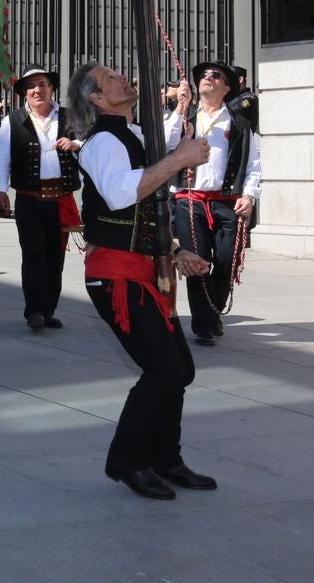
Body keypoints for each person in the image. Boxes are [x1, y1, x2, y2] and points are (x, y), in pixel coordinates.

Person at [68, 62, 218, 501]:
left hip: (148, 268)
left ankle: (165, 458)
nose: (123, 78)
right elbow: (119, 194)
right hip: (115, 275)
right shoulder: (101, 142)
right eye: (111, 78)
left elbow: (145, 213)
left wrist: (174, 250)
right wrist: (178, 160)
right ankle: (127, 461)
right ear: (96, 98)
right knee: (164, 370)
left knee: (181, 370)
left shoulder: (134, 137)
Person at [166, 61, 261, 347]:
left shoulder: (239, 123)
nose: (208, 78)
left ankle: (212, 311)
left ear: (227, 87)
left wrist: (249, 195)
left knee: (225, 262)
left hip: (226, 202)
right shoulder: (184, 117)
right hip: (189, 200)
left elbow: (253, 165)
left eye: (215, 75)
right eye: (204, 76)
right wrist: (180, 106)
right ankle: (203, 324)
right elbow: (165, 142)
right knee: (196, 263)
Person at [0, 67, 83, 332]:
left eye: (42, 84)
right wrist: (0, 190)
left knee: (55, 258)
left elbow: (88, 149)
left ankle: (48, 310)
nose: (37, 90)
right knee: (32, 255)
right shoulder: (13, 120)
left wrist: (75, 145)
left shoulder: (69, 117)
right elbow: (2, 158)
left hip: (60, 199)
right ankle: (34, 311)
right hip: (29, 199)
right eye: (31, 86)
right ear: (24, 93)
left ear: (51, 88)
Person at [228, 65, 259, 133]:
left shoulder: (250, 97)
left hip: (244, 141)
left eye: (229, 78)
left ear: (240, 79)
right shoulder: (228, 97)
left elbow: (232, 109)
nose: (225, 82)